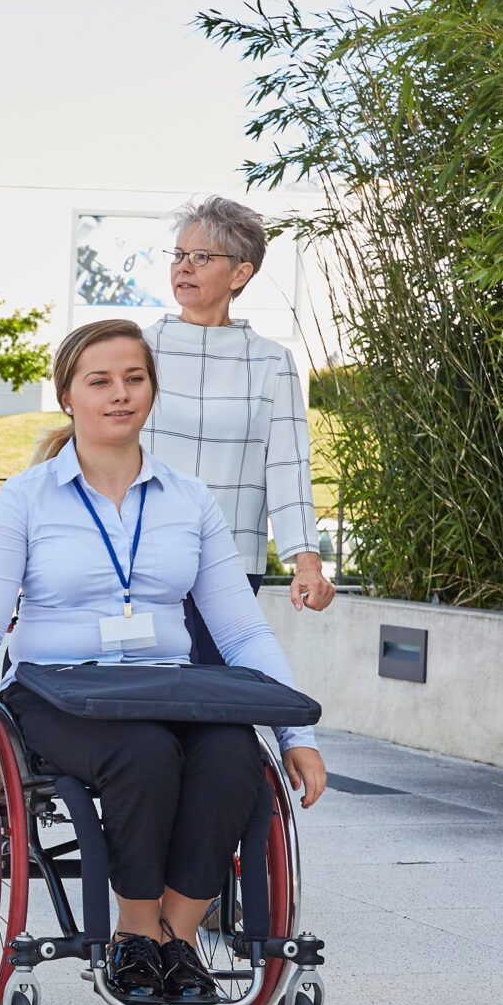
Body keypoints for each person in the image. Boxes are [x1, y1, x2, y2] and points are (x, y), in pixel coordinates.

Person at [0, 319, 326, 1005]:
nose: (120, 394)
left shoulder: (189, 499)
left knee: (233, 755)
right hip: (56, 694)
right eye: (100, 381)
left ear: (152, 389)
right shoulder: (26, 499)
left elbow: (242, 633)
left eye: (134, 378)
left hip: (167, 687)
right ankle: (131, 933)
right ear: (68, 395)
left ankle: (172, 941)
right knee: (145, 752)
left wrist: (295, 736)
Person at [144, 196, 336, 661]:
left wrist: (306, 561)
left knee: (207, 697)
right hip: (141, 555)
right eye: (179, 255)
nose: (183, 268)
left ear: (239, 274)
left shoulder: (272, 361)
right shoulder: (137, 349)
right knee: (143, 693)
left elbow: (287, 467)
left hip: (229, 562)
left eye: (202, 257)